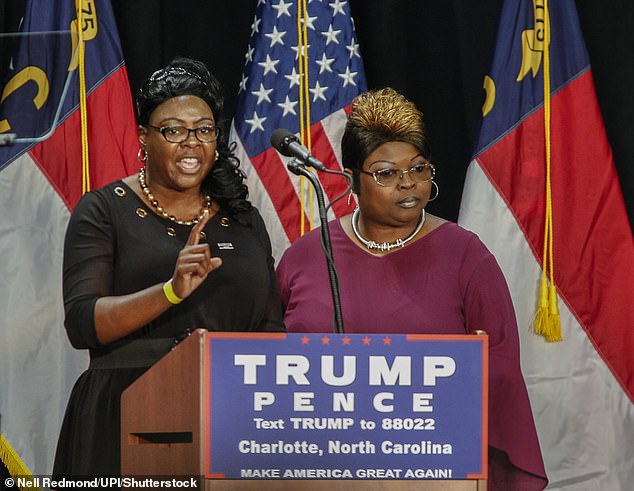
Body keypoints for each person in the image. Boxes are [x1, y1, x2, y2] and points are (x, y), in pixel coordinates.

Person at [275, 88, 548, 490]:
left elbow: (500, 372)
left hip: (437, 469)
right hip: (320, 468)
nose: (408, 184)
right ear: (352, 179)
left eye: (419, 169)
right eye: (386, 173)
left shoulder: (466, 257)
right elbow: (266, 360)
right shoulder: (306, 257)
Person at [53, 57, 284, 476]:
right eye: (174, 130)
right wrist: (170, 291)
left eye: (204, 130)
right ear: (144, 137)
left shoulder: (244, 218)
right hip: (123, 410)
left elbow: (270, 327)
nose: (191, 143)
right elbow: (83, 322)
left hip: (230, 414)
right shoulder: (104, 210)